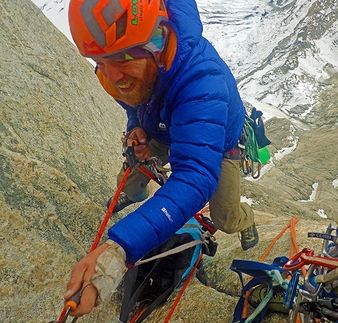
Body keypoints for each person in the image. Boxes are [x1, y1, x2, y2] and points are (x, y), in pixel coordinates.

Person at [65, 0, 259, 317]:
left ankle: (245, 217)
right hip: (162, 125)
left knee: (223, 219)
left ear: (159, 41)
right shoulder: (124, 65)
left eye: (124, 57)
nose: (112, 76)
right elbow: (132, 101)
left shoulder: (202, 80)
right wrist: (137, 128)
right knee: (132, 171)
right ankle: (134, 195)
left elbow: (195, 177)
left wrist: (119, 249)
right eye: (99, 62)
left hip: (217, 141)